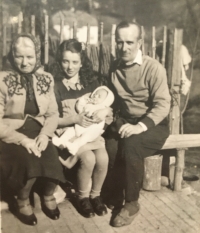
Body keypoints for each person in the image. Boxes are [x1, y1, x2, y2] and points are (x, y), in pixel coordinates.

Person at [104, 21, 171, 227]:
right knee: (111, 142)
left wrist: (140, 126)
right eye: (119, 42)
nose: (124, 48)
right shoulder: (115, 67)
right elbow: (113, 99)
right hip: (127, 121)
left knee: (131, 144)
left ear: (140, 42)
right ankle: (114, 194)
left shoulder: (153, 68)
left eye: (129, 42)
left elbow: (163, 105)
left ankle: (132, 202)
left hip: (154, 124)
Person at [0, 33, 66, 226]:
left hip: (39, 131)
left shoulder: (46, 78)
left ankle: (48, 196)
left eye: (29, 57)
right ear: (12, 55)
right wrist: (22, 140)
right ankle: (21, 201)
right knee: (27, 162)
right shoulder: (3, 80)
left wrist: (45, 135)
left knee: (52, 159)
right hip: (11, 134)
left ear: (37, 56)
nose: (24, 62)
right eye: (19, 56)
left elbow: (53, 114)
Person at [51, 39, 113, 218]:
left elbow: (107, 105)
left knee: (102, 157)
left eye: (75, 62)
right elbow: (52, 119)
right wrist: (75, 118)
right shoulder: (56, 86)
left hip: (90, 132)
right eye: (65, 61)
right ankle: (82, 197)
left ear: (81, 62)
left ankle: (96, 196)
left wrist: (105, 109)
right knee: (88, 158)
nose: (70, 67)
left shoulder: (91, 83)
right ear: (59, 61)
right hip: (68, 134)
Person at [52, 85, 114, 158]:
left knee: (84, 138)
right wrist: (84, 100)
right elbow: (79, 107)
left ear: (105, 101)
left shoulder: (102, 108)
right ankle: (61, 141)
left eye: (99, 96)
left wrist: (106, 110)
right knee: (70, 131)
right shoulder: (88, 102)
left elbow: (108, 116)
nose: (95, 96)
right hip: (78, 126)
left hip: (90, 131)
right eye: (95, 94)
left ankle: (74, 147)